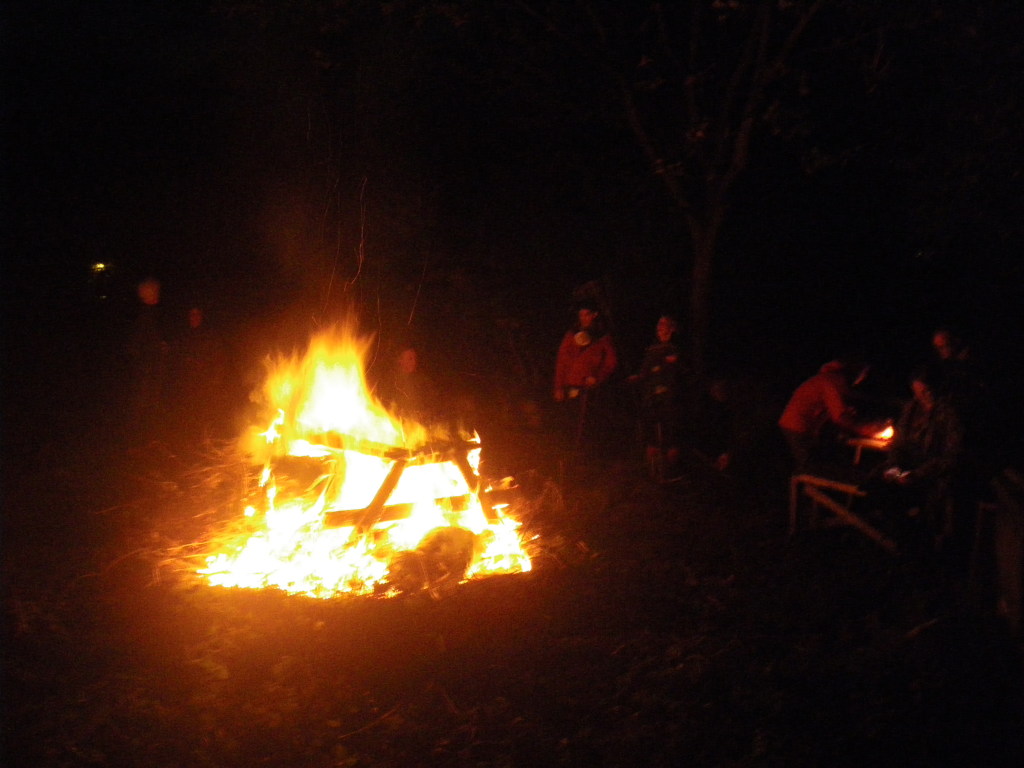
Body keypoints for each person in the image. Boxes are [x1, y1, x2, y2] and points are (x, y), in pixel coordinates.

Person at [870, 364, 965, 558]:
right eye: (918, 392)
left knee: (930, 498)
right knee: (878, 486)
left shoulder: (949, 413)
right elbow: (899, 444)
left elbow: (951, 455)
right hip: (907, 468)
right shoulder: (912, 409)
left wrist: (920, 474)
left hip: (932, 474)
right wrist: (895, 467)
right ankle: (894, 542)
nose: (923, 396)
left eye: (926, 391)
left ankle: (923, 551)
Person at [778, 358, 880, 472]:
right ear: (856, 371)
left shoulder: (829, 379)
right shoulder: (834, 381)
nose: (864, 377)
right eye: (864, 372)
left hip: (798, 424)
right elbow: (839, 417)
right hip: (797, 426)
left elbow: (833, 409)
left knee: (812, 462)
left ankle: (806, 483)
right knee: (811, 467)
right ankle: (805, 486)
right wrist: (864, 430)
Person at [628, 315, 689, 479]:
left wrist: (674, 366)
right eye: (659, 324)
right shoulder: (652, 350)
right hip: (651, 398)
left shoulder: (678, 349)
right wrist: (638, 378)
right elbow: (645, 372)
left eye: (664, 324)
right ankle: (653, 473)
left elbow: (683, 373)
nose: (660, 327)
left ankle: (671, 472)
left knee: (671, 436)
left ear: (672, 328)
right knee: (651, 437)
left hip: (672, 399)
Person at [552, 302, 618, 454]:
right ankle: (567, 456)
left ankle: (584, 456)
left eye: (586, 314)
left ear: (594, 315)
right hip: (570, 385)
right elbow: (562, 360)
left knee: (586, 425)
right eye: (581, 315)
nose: (583, 318)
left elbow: (611, 362)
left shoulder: (602, 336)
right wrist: (558, 386)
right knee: (568, 424)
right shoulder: (572, 334)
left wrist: (597, 377)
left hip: (589, 388)